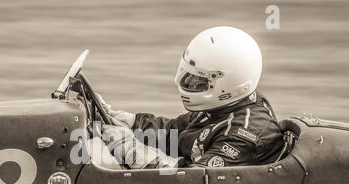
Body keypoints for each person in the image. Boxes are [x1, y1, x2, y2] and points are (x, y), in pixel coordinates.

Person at [100, 26, 284, 169]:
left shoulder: (244, 136)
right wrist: (130, 121)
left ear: (228, 85)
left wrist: (132, 150)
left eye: (199, 80)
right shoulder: (223, 109)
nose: (188, 83)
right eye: (188, 75)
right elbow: (174, 132)